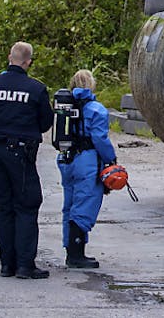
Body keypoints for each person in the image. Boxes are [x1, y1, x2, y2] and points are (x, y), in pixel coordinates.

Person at [0, 41, 53, 279]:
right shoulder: (36, 89)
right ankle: (24, 265)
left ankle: (7, 264)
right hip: (21, 153)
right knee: (27, 205)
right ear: (28, 62)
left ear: (9, 57)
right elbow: (45, 122)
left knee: (4, 206)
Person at [57, 69, 117, 269]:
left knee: (70, 206)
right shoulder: (96, 110)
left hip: (66, 159)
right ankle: (77, 255)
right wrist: (111, 159)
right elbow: (99, 138)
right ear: (91, 85)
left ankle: (70, 250)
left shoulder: (65, 106)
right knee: (85, 205)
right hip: (87, 161)